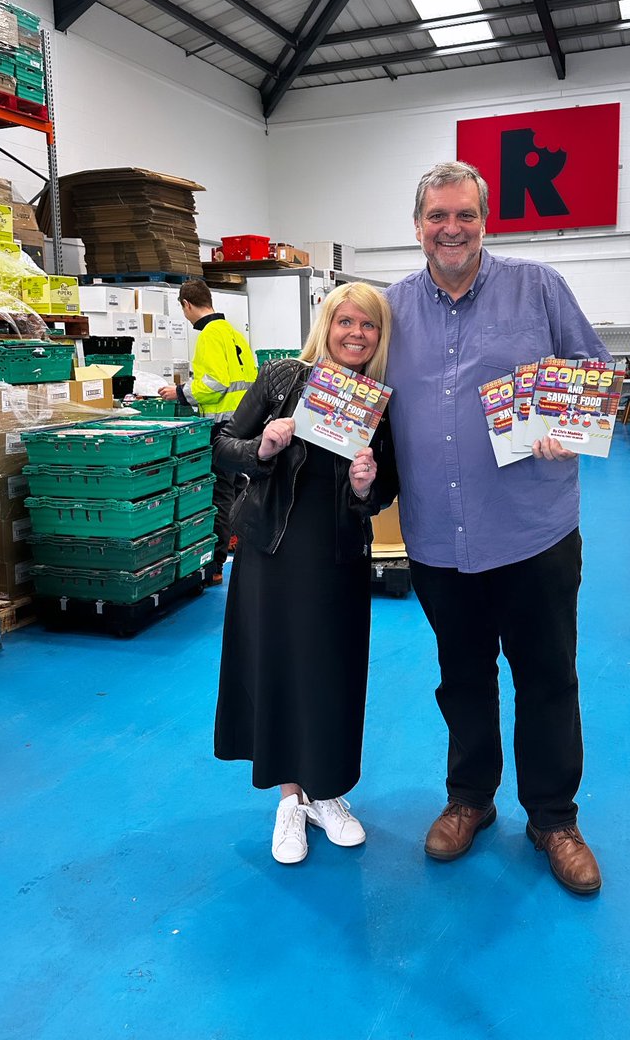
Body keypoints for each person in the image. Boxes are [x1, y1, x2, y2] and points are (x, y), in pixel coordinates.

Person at [384, 161, 611, 894]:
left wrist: (564, 425)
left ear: (487, 221)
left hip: (531, 529)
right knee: (462, 678)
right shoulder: (391, 308)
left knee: (547, 677)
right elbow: (357, 393)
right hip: (438, 538)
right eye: (436, 216)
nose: (450, 229)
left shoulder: (536, 287)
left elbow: (595, 374)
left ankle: (553, 817)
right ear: (416, 224)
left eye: (464, 216)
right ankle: (468, 801)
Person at [212, 283, 396, 865]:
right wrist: (262, 449)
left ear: (379, 335)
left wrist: (368, 487)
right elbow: (222, 445)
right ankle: (291, 799)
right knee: (279, 668)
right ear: (327, 324)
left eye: (368, 325)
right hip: (273, 552)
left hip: (338, 557)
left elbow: (387, 486)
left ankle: (327, 791)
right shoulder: (282, 379)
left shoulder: (379, 402)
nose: (355, 334)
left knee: (332, 673)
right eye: (345, 321)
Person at [159, 279, 257, 584]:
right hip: (244, 423)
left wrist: (180, 392)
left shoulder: (209, 336)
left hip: (222, 426)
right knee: (239, 487)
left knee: (220, 492)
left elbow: (214, 382)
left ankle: (214, 565)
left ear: (187, 305)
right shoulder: (233, 333)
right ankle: (241, 546)